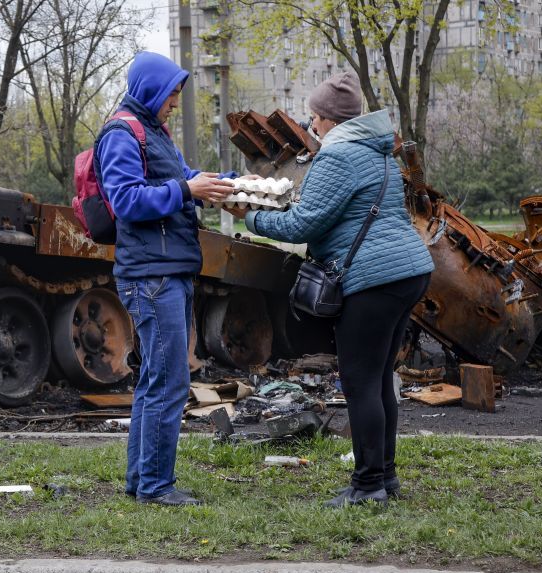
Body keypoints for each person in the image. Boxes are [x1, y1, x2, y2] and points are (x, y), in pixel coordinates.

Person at [223, 73, 434, 508]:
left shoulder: (337, 157)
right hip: (408, 272)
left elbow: (304, 225)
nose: (312, 125)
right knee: (378, 381)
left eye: (315, 117)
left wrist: (252, 218)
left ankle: (368, 485)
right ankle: (385, 478)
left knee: (360, 383)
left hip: (375, 280)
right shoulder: (379, 156)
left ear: (329, 120)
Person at [96, 52, 238, 507]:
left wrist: (224, 184)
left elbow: (182, 177)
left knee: (157, 381)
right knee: (170, 382)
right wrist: (186, 190)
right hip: (150, 276)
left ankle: (143, 482)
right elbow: (126, 200)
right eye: (172, 94)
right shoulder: (121, 133)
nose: (176, 103)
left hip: (167, 271)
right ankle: (157, 487)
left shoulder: (153, 131)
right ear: (151, 91)